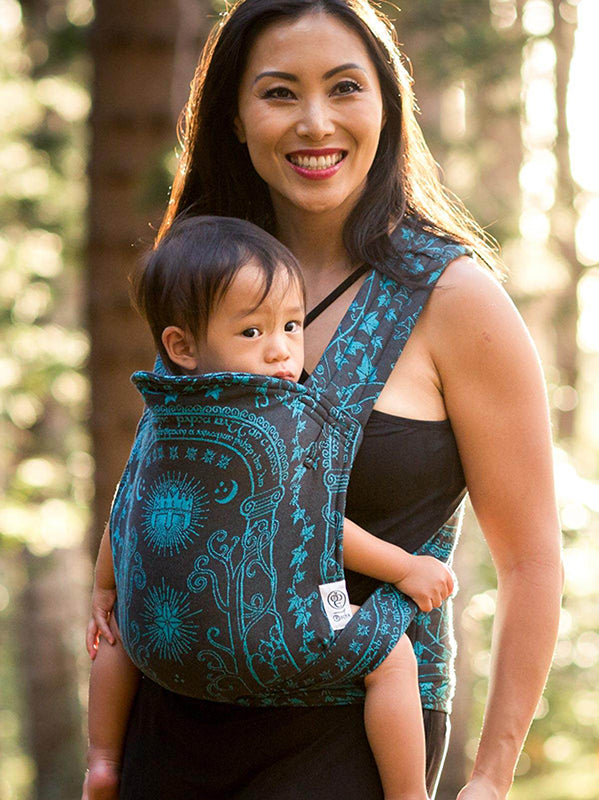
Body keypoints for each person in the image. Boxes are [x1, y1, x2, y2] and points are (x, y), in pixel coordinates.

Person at [87, 1, 563, 798]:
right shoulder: (206, 279)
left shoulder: (454, 300)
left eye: (344, 87)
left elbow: (530, 560)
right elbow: (163, 480)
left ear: (387, 106)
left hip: (357, 730)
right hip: (169, 728)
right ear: (234, 118)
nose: (315, 122)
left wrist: (488, 778)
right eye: (279, 92)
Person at [84, 214, 455, 800]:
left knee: (116, 631)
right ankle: (409, 794)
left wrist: (105, 588)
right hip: (264, 640)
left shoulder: (163, 414)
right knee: (394, 655)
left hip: (166, 652)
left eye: (291, 325)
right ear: (181, 345)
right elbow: (317, 524)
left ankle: (102, 763)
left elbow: (131, 506)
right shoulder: (275, 420)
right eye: (252, 332)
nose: (280, 349)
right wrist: (406, 568)